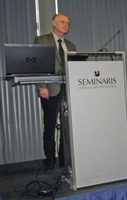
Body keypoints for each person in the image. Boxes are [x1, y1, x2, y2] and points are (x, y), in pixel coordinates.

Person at [34, 13, 76, 170]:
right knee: (50, 125)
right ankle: (50, 160)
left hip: (68, 90)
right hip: (49, 90)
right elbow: (37, 65)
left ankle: (64, 159)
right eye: (63, 22)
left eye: (68, 23)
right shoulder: (42, 40)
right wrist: (41, 86)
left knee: (66, 125)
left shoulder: (71, 45)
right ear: (53, 23)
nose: (66, 25)